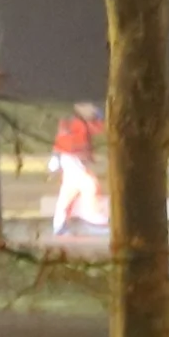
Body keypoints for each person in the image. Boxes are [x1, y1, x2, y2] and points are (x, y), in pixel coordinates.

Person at [48, 102, 109, 238]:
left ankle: (59, 226)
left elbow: (63, 143)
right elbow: (70, 145)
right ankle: (93, 221)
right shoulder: (79, 126)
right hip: (71, 160)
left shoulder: (74, 125)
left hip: (69, 160)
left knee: (68, 192)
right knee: (89, 186)